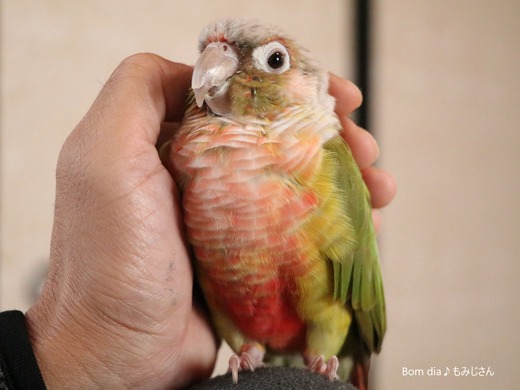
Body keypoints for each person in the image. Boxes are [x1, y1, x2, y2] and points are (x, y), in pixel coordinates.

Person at [0, 54, 397, 389]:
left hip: (329, 336)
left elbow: (352, 297)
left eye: (273, 60)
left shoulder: (327, 157)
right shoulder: (181, 162)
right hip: (238, 334)